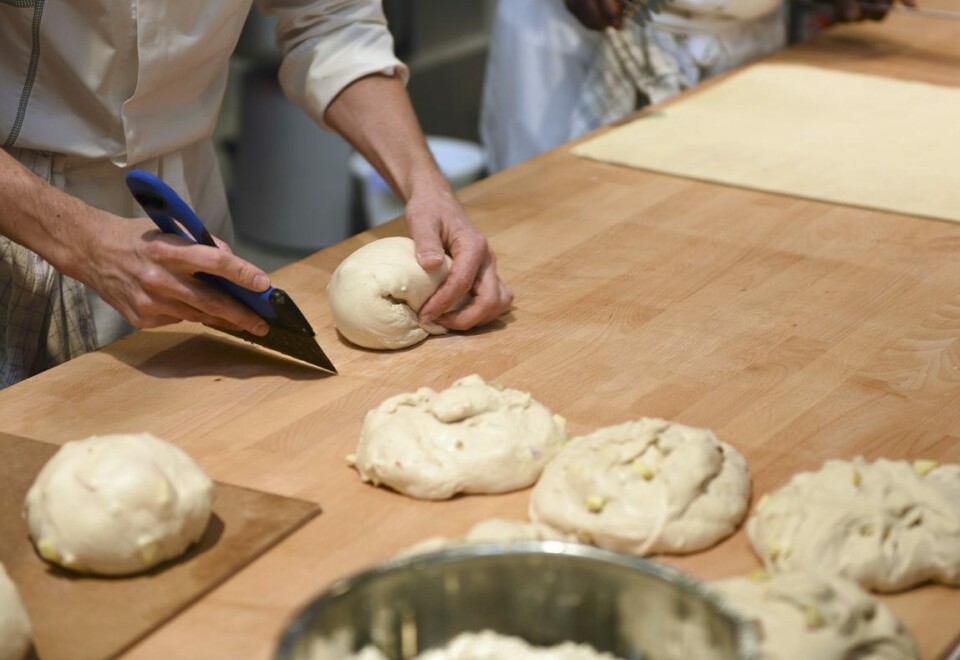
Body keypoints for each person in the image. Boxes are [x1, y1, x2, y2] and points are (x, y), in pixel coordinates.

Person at [0, 1, 512, 389]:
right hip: (16, 221)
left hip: (183, 213)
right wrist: (80, 239)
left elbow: (330, 21)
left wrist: (427, 185)